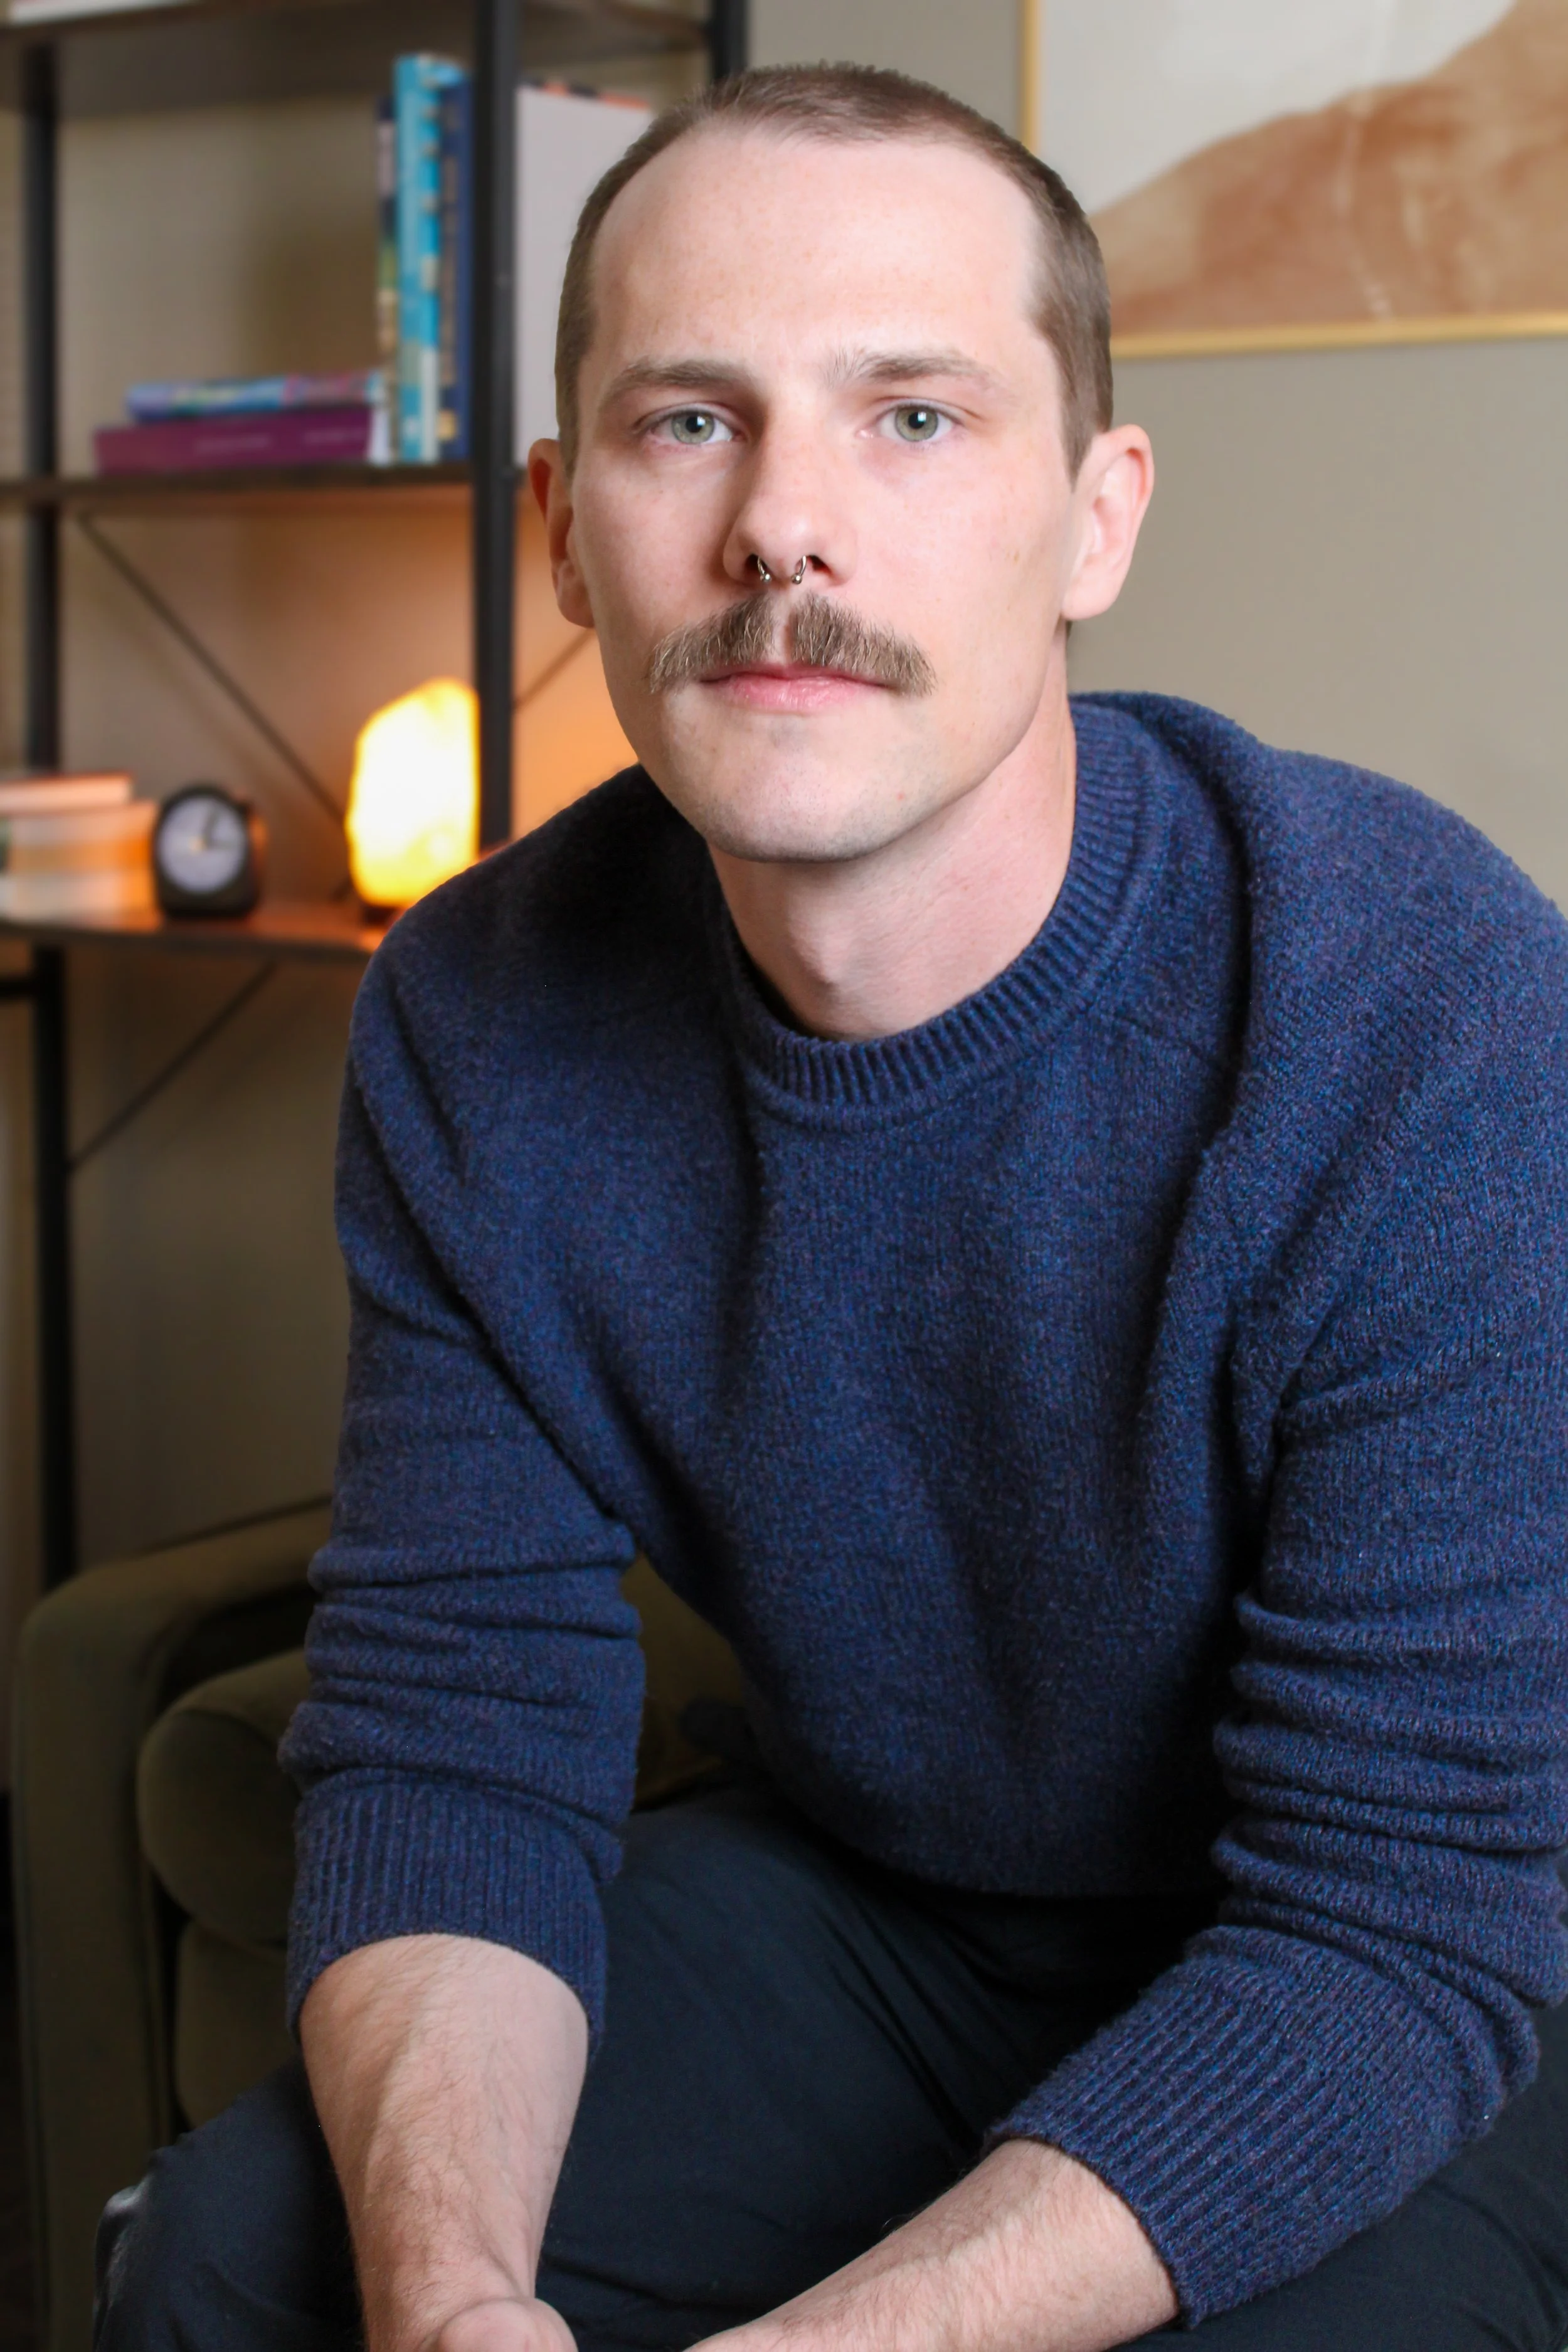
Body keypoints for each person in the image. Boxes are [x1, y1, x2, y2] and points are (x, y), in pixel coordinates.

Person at [98, 62, 1568, 2352]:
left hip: (1427, 1984)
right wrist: (452, 2298)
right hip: (898, 1911)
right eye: (689, 420)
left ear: (1093, 518)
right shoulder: (477, 1017)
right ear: (562, 533)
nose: (785, 526)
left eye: (911, 418)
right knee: (232, 2256)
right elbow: (457, 1736)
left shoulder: (1418, 1000)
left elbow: (1397, 1921)